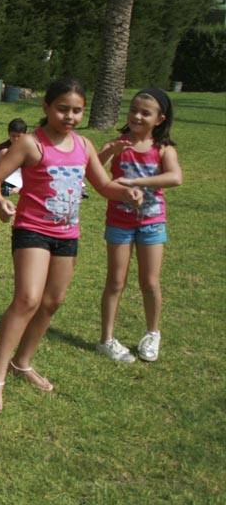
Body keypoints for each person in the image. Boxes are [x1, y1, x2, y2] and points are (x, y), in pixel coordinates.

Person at [0, 79, 143, 414]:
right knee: (28, 299)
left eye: (76, 110)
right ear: (46, 108)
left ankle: (22, 362)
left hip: (67, 234)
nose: (69, 116)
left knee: (52, 302)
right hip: (32, 230)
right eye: (62, 108)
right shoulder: (30, 143)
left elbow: (104, 184)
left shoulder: (84, 145)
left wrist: (126, 192)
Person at [96, 88, 182, 364]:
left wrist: (134, 183)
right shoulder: (118, 144)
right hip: (119, 222)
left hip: (152, 223)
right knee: (115, 282)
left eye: (145, 112)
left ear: (160, 119)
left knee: (150, 282)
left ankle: (152, 332)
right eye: (133, 109)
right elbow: (93, 171)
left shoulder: (162, 149)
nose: (137, 116)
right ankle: (106, 339)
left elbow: (175, 178)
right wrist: (110, 150)